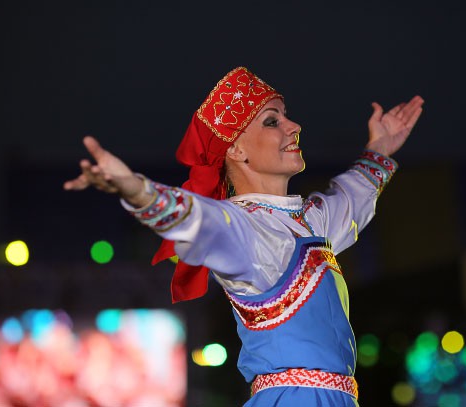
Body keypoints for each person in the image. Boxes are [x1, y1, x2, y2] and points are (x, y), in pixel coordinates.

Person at [64, 67, 424, 406]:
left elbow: (352, 198)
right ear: (235, 149)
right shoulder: (245, 228)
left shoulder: (309, 221)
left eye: (286, 117)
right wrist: (134, 189)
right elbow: (196, 219)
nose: (294, 126)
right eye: (272, 121)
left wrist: (380, 148)